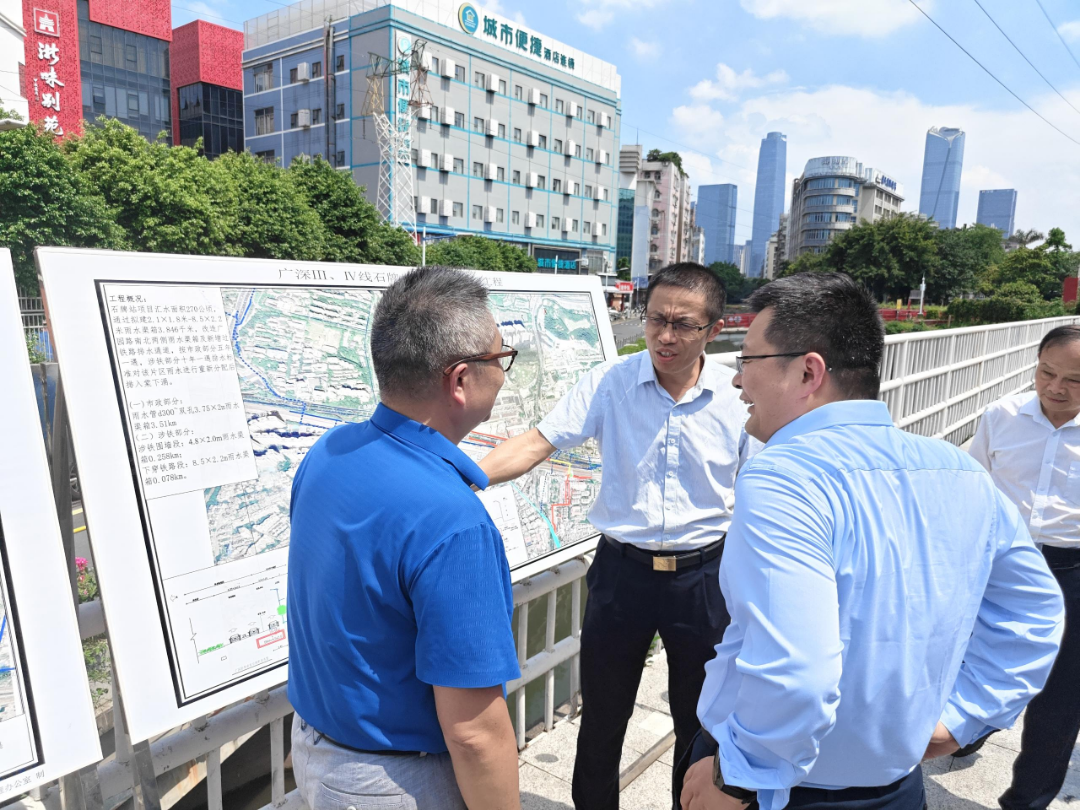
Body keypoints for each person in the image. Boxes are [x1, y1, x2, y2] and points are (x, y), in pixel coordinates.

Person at [678, 272, 1065, 810]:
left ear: (808, 371)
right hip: (896, 786)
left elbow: (796, 671)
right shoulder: (958, 470)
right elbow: (1035, 612)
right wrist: (964, 717)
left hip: (778, 789)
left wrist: (739, 778)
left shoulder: (783, 476)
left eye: (748, 360)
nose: (738, 381)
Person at [480, 262, 756, 810]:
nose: (665, 336)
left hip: (705, 577)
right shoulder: (611, 382)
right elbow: (538, 442)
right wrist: (457, 477)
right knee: (602, 717)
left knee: (698, 721)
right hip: (621, 574)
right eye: (656, 320)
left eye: (683, 324)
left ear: (714, 329)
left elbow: (761, 490)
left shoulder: (736, 395)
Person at [287, 267, 522, 810]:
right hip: (396, 782)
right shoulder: (453, 522)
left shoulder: (329, 452)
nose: (503, 372)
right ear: (460, 380)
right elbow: (474, 733)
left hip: (316, 750)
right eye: (499, 357)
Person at [969, 325, 1080, 810]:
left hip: (1072, 568)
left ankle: (1026, 801)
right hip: (1002, 563)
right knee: (973, 661)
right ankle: (964, 732)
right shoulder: (1002, 415)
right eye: (1046, 372)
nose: (1055, 388)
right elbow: (974, 488)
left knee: (1060, 698)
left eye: (1074, 380)